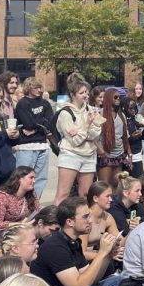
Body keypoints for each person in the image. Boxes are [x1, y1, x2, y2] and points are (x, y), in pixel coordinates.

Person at [28, 197, 122, 286]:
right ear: (70, 222)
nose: (90, 221)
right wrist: (101, 253)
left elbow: (91, 278)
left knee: (118, 280)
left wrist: (107, 256)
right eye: (86, 217)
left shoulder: (73, 241)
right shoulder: (55, 247)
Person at [53, 73, 103, 204]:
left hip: (89, 155)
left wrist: (82, 131)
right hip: (70, 154)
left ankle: (82, 220)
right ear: (73, 95)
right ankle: (54, 221)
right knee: (63, 193)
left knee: (86, 194)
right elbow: (75, 141)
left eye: (86, 92)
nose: (86, 95)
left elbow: (96, 133)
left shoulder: (92, 110)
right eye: (82, 93)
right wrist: (87, 125)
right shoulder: (65, 113)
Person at [12, 77, 54, 200]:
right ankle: (19, 203)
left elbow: (50, 122)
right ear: (29, 88)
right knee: (23, 177)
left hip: (42, 145)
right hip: (26, 146)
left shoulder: (45, 103)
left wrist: (35, 126)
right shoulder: (23, 103)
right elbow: (27, 123)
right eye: (36, 88)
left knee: (40, 178)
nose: (39, 90)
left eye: (40, 88)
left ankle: (33, 204)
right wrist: (39, 124)